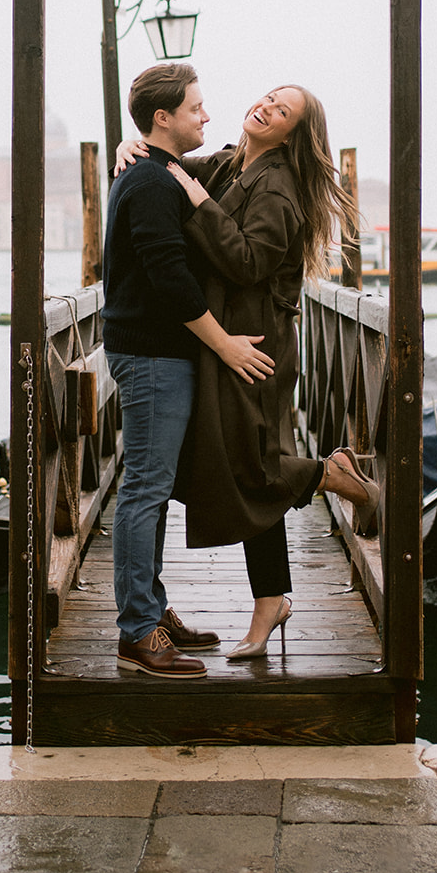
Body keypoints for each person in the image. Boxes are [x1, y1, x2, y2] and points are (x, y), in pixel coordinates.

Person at [117, 85, 379, 660]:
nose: (265, 107)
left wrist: (195, 200)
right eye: (268, 98)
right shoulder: (235, 159)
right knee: (238, 463)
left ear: (293, 135)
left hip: (254, 342)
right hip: (223, 339)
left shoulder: (279, 188)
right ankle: (273, 584)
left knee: (255, 466)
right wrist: (129, 146)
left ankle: (327, 481)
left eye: (281, 111)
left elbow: (248, 260)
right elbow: (169, 161)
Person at [103, 62, 275, 679]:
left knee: (149, 487)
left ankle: (150, 610)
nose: (206, 115)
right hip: (151, 353)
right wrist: (225, 343)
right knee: (145, 490)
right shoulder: (150, 182)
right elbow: (169, 278)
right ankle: (138, 632)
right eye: (196, 107)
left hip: (156, 352)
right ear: (163, 118)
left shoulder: (156, 172)